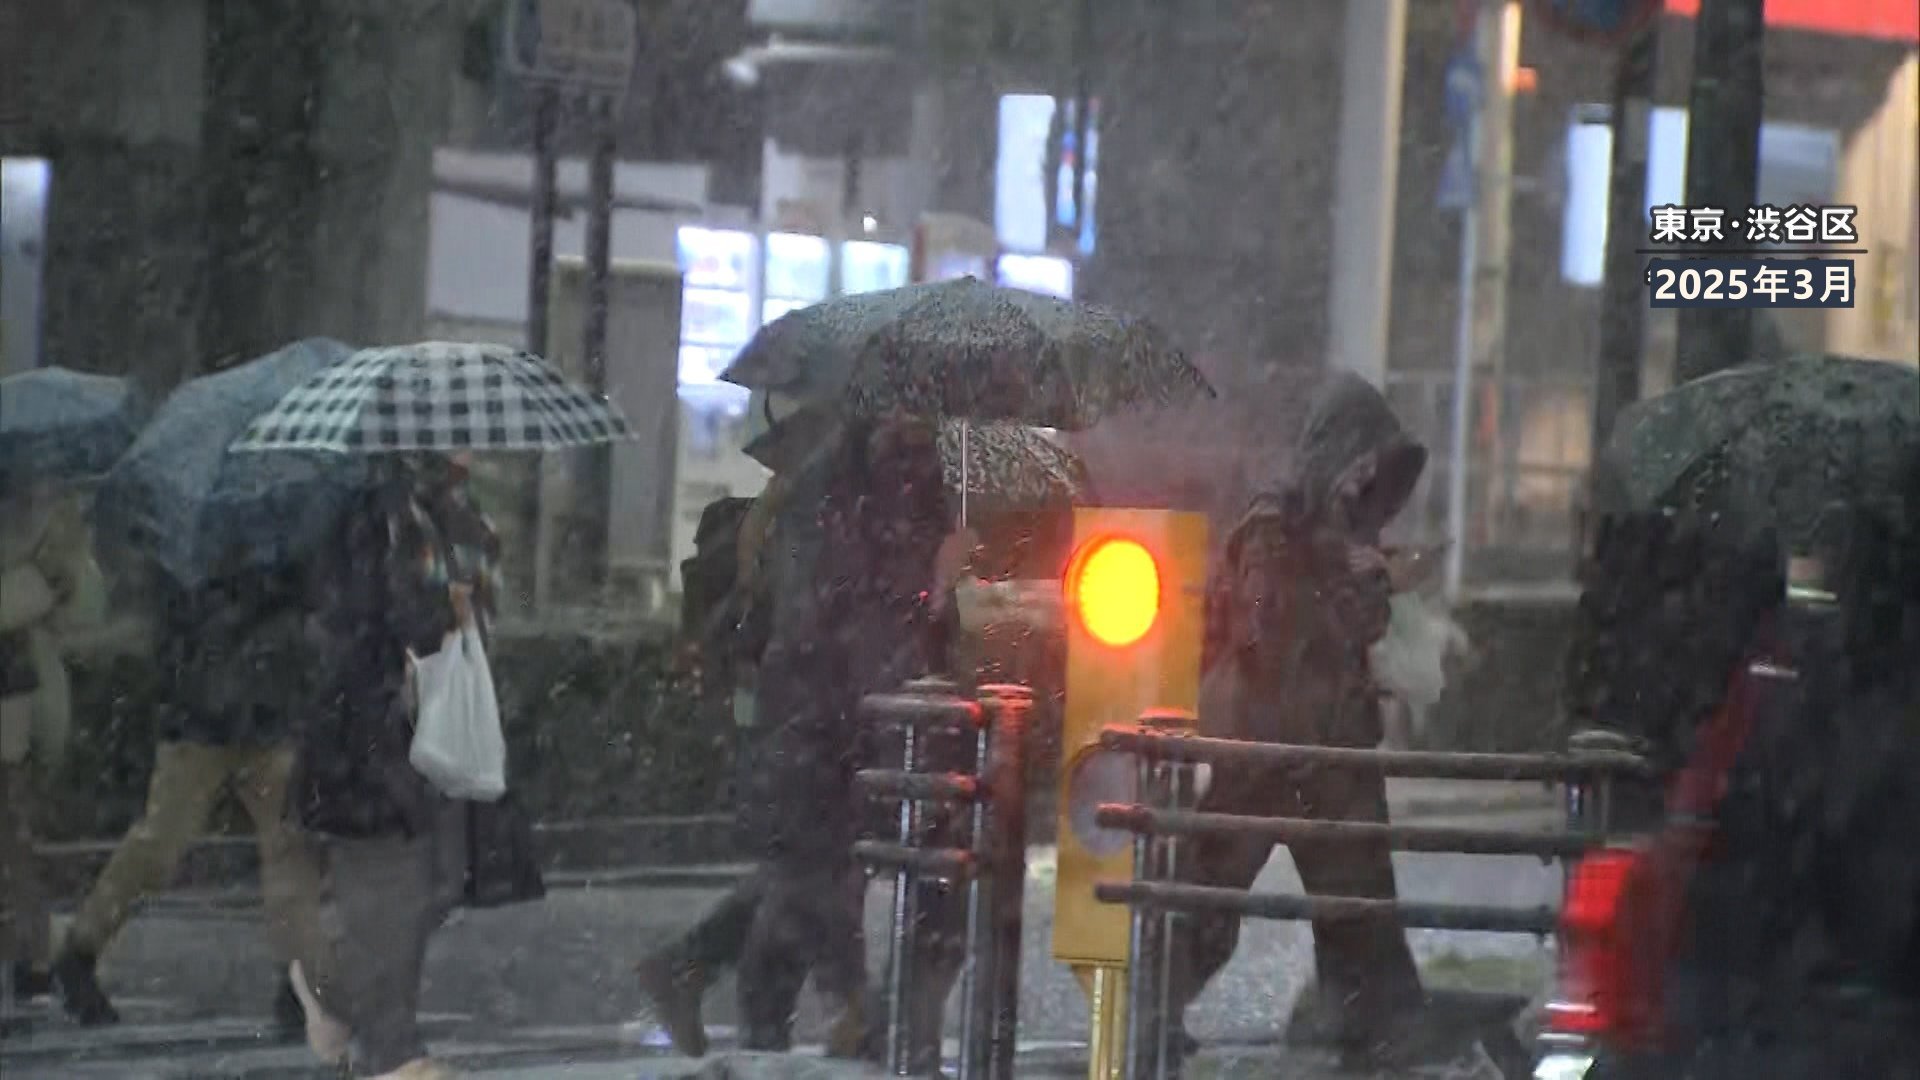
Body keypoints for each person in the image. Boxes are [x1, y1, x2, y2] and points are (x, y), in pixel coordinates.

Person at [1168, 371, 1431, 1064]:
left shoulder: (1343, 533)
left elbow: (1353, 633)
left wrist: (1368, 586)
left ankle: (1376, 1025)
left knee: (1359, 903)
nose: (1363, 484)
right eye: (1360, 465)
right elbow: (1265, 631)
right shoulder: (1273, 525)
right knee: (1207, 902)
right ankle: (1148, 1006)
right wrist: (1334, 576)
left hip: (1331, 751)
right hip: (1263, 747)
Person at [287, 451, 522, 1080]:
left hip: (436, 720)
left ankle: (332, 983)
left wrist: (467, 607)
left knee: (440, 881)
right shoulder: (370, 511)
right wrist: (439, 611)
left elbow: (481, 599)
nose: (466, 446)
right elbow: (364, 616)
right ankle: (391, 1048)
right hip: (369, 731)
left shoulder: (460, 513)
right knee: (387, 891)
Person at [732, 413, 956, 1055]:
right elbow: (854, 616)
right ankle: (856, 1025)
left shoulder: (905, 480)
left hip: (850, 722)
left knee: (825, 884)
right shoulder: (844, 488)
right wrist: (936, 591)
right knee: (819, 884)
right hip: (830, 723)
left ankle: (863, 1028)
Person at [49, 552, 323, 1029]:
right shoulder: (192, 546)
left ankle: (297, 982)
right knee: (160, 846)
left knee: (285, 851)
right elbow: (170, 626)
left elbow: (306, 609)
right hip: (204, 715)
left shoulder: (282, 541)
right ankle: (79, 951)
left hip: (263, 709)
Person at [1, 483, 107, 1004]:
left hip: (11, 703)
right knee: (16, 839)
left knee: (16, 837)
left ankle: (30, 953)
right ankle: (30, 955)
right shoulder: (32, 536)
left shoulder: (32, 527)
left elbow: (64, 607)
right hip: (14, 702)